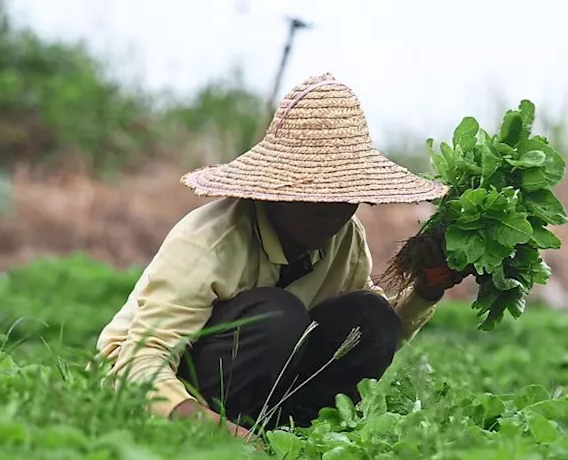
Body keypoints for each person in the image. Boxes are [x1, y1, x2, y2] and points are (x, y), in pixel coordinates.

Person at [96, 72, 465, 441]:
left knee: (371, 315)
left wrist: (427, 289)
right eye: (315, 195)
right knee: (278, 314)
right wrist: (207, 425)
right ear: (276, 192)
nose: (333, 211)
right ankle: (230, 431)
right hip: (167, 386)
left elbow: (370, 334)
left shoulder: (344, 237)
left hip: (267, 384)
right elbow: (139, 362)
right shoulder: (211, 240)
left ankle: (296, 434)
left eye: (344, 195)